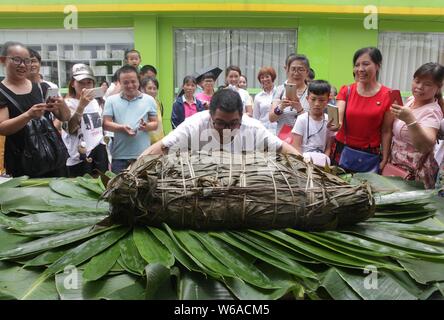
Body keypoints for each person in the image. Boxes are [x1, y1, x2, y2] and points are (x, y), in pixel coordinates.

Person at [141, 88, 300, 156]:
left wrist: (309, 167)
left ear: (241, 117)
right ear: (209, 116)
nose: (227, 130)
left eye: (233, 123)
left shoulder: (253, 127)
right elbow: (161, 147)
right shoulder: (194, 125)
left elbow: (283, 148)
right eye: (220, 123)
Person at [0, 41, 70, 177]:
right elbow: (2, 128)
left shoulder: (42, 88)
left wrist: (62, 104)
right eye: (16, 60)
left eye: (27, 61)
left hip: (52, 155)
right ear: (3, 60)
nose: (23, 65)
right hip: (21, 160)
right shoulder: (2, 92)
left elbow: (65, 117)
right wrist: (28, 115)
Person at [330, 47, 394, 172]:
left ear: (378, 66)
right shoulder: (346, 91)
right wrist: (336, 124)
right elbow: (339, 116)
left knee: (366, 190)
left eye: (366, 64)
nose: (360, 69)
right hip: (342, 152)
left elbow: (386, 130)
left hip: (369, 155)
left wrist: (385, 157)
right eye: (356, 65)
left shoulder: (388, 95)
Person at [389, 62, 444, 189]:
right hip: (397, 169)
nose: (419, 87)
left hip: (415, 177)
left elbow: (425, 146)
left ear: (438, 87)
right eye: (417, 81)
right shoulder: (411, 100)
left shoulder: (432, 111)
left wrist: (410, 120)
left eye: (427, 84)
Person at [103, 65, 158, 174]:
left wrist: (146, 126)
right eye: (126, 82)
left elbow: (155, 123)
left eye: (133, 81)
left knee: (143, 189)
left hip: (143, 156)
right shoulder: (111, 100)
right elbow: (106, 124)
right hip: (119, 156)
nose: (130, 85)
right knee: (119, 189)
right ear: (119, 83)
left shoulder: (149, 100)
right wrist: (121, 127)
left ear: (139, 81)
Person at [63, 64, 109, 177]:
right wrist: (81, 106)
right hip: (79, 155)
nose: (85, 86)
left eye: (89, 82)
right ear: (73, 83)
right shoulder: (67, 103)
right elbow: (70, 129)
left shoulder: (95, 102)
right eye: (81, 82)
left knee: (102, 187)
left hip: (99, 150)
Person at [292, 80, 334, 166]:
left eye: (321, 100)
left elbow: (328, 147)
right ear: (307, 99)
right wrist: (304, 163)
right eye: (313, 99)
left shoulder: (329, 121)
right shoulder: (301, 119)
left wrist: (325, 162)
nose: (317, 103)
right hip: (303, 162)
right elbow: (296, 146)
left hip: (322, 163)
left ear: (328, 100)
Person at [269, 54, 311, 135]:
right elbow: (271, 118)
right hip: (283, 142)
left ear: (307, 72)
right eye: (293, 69)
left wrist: (299, 109)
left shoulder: (312, 92)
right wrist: (281, 107)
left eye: (300, 69)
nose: (296, 73)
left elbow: (313, 122)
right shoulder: (280, 90)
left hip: (304, 141)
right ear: (287, 70)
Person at [253, 66, 277, 134]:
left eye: (267, 77)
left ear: (272, 77)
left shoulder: (280, 92)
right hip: (263, 131)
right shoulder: (258, 97)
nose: (265, 79)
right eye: (262, 77)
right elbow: (256, 118)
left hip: (278, 131)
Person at [141, 76, 165, 144]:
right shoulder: (141, 104)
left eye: (155, 88)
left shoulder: (158, 103)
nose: (152, 91)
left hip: (159, 142)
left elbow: (160, 123)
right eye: (149, 88)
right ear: (143, 89)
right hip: (146, 143)